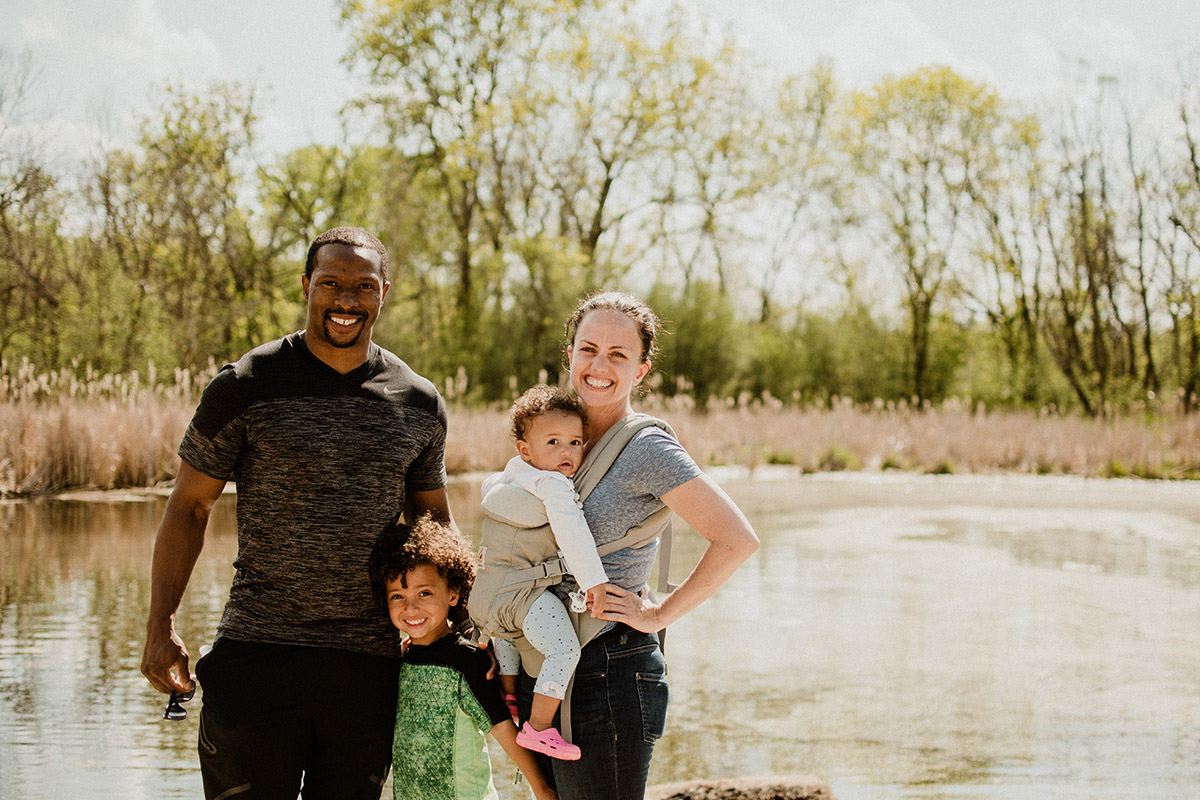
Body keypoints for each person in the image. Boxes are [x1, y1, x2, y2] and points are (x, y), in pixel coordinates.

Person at [140, 226, 454, 800]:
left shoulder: (417, 400)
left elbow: (435, 528)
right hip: (258, 657)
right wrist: (160, 623)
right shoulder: (246, 385)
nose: (346, 300)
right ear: (307, 286)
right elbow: (189, 506)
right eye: (330, 283)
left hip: (368, 667)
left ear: (384, 293)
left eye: (363, 286)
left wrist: (450, 626)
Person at [515, 291, 760, 800]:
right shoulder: (551, 437)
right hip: (545, 667)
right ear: (569, 355)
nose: (598, 365)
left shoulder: (648, 448)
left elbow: (737, 540)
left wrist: (658, 614)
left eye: (618, 355)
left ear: (642, 370)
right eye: (587, 349)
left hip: (609, 669)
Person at [368, 514, 558, 800]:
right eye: (397, 596)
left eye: (425, 593)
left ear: (453, 594)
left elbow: (501, 726)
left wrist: (541, 789)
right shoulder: (403, 657)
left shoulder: (465, 660)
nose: (411, 608)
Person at [467, 385, 610, 761]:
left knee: (510, 638)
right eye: (554, 442)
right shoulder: (553, 486)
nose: (567, 452)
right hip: (520, 597)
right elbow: (573, 533)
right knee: (564, 650)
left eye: (575, 442)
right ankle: (540, 728)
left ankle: (510, 695)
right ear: (525, 449)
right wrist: (595, 581)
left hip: (484, 599)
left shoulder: (507, 478)